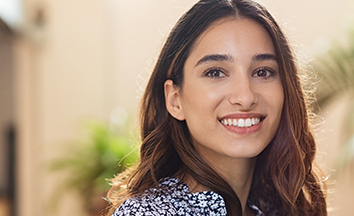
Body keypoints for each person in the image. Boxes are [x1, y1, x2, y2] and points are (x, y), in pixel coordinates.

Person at [104, 0, 328, 215]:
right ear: (174, 99)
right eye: (215, 72)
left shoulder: (281, 209)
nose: (245, 96)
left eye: (263, 72)